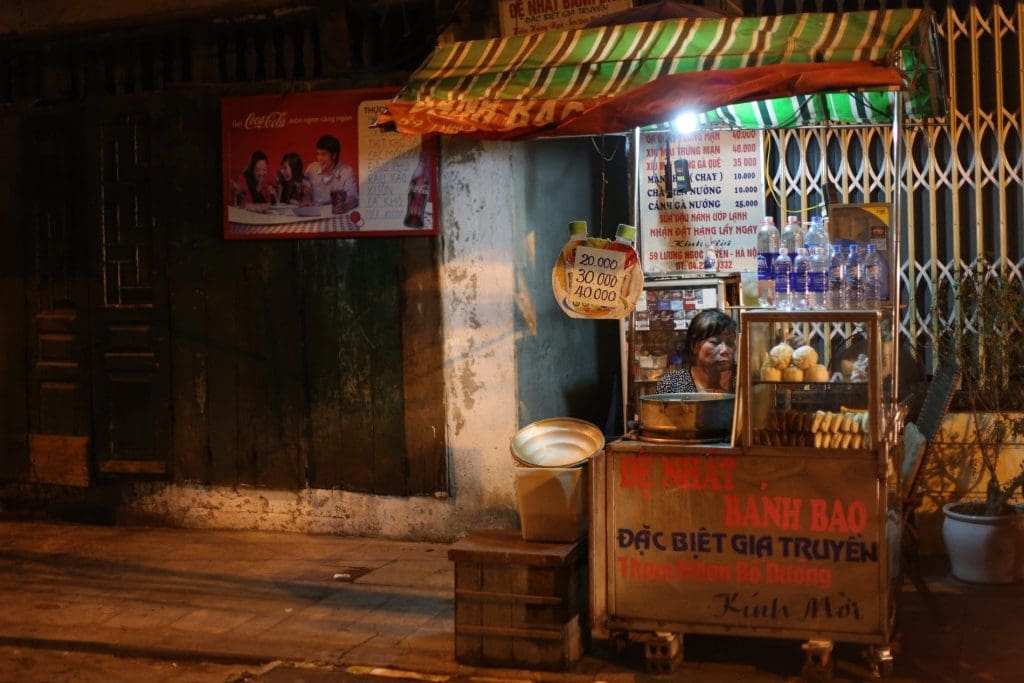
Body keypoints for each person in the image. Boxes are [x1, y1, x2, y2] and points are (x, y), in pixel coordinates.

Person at [656, 308, 737, 393]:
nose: (725, 350)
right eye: (715, 342)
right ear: (694, 346)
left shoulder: (743, 380)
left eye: (730, 343)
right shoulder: (672, 385)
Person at [305, 134, 358, 210]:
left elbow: (353, 198)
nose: (319, 158)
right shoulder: (311, 169)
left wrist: (340, 206)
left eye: (323, 154)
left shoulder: (346, 171)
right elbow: (304, 194)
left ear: (334, 155)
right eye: (318, 154)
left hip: (336, 214)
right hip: (314, 214)